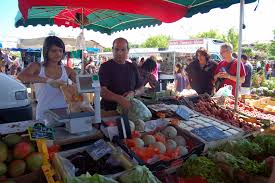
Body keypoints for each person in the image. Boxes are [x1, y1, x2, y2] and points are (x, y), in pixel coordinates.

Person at [17, 36, 76, 120]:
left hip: (64, 113)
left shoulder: (67, 70)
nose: (58, 54)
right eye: (54, 51)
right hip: (44, 114)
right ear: (46, 51)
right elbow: (21, 77)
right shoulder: (37, 66)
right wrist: (48, 81)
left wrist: (72, 86)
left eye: (60, 50)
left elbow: (81, 84)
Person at [98, 37, 144, 111]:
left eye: (123, 50)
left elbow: (141, 88)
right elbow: (102, 91)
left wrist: (134, 93)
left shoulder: (132, 66)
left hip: (130, 112)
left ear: (128, 50)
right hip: (109, 111)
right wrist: (120, 99)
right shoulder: (105, 67)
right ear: (112, 50)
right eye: (116, 49)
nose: (119, 53)